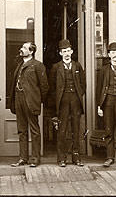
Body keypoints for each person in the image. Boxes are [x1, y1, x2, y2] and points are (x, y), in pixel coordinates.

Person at [7, 42, 48, 167]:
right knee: (21, 130)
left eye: (24, 48)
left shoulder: (38, 65)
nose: (21, 49)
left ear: (31, 51)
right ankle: (23, 158)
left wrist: (36, 100)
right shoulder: (19, 64)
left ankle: (35, 159)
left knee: (34, 130)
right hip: (19, 99)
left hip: (30, 101)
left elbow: (44, 87)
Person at [49, 39, 86, 167]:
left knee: (76, 130)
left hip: (75, 101)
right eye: (63, 51)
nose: (66, 53)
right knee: (62, 130)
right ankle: (62, 158)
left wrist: (77, 95)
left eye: (68, 51)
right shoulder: (56, 67)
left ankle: (76, 157)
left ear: (72, 51)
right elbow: (52, 88)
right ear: (60, 53)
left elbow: (83, 85)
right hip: (62, 102)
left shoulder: (77, 66)